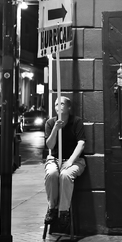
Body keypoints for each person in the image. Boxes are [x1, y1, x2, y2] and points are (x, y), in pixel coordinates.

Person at [44, 96, 86, 228]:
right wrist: (55, 130)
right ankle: (52, 208)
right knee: (51, 174)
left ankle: (64, 212)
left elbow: (81, 143)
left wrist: (70, 161)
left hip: (75, 160)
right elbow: (50, 146)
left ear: (68, 107)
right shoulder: (50, 123)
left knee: (65, 175)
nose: (58, 107)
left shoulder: (77, 122)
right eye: (56, 104)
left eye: (62, 104)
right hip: (55, 159)